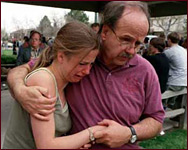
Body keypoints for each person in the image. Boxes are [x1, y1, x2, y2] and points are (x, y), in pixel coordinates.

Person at [7, 1, 165, 149]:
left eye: (138, 44)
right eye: (125, 39)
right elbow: (23, 70)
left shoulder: (145, 70)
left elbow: (156, 120)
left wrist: (130, 133)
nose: (132, 50)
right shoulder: (82, 55)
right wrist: (20, 90)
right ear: (105, 32)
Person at [3, 21, 106, 149]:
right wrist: (93, 132)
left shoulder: (66, 83)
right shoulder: (43, 80)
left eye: (91, 64)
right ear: (61, 56)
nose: (87, 71)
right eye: (82, 63)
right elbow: (46, 145)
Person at [163, 32, 187, 107]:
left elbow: (162, 63)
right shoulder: (183, 50)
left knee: (161, 98)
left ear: (169, 40)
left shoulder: (168, 52)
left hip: (174, 82)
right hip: (184, 81)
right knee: (172, 101)